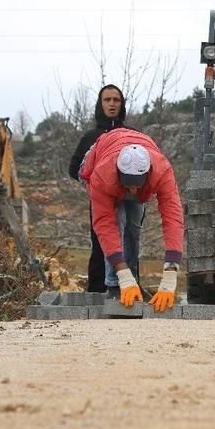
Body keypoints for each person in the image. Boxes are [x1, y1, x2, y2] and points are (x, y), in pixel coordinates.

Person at [79, 128, 184, 312]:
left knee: (134, 225)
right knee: (117, 219)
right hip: (95, 161)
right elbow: (104, 223)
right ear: (120, 175)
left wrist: (170, 274)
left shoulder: (161, 170)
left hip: (131, 165)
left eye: (138, 184)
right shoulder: (102, 175)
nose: (133, 191)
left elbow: (173, 216)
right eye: (129, 184)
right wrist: (121, 273)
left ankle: (132, 282)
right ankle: (114, 284)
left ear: (148, 173)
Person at [68, 84, 136, 293]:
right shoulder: (90, 137)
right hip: (101, 202)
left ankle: (131, 289)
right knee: (100, 244)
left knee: (130, 242)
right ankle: (96, 292)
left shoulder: (131, 135)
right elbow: (73, 169)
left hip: (130, 200)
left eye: (116, 100)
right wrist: (94, 185)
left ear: (122, 103)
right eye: (107, 100)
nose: (112, 104)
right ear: (100, 104)